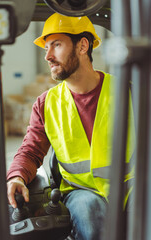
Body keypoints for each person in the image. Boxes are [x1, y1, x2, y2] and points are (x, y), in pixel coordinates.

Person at [7, 13, 135, 240]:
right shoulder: (46, 104)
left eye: (56, 45)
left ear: (83, 46)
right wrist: (16, 177)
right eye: (46, 48)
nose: (48, 56)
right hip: (82, 192)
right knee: (92, 218)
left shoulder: (131, 92)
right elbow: (30, 150)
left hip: (132, 186)